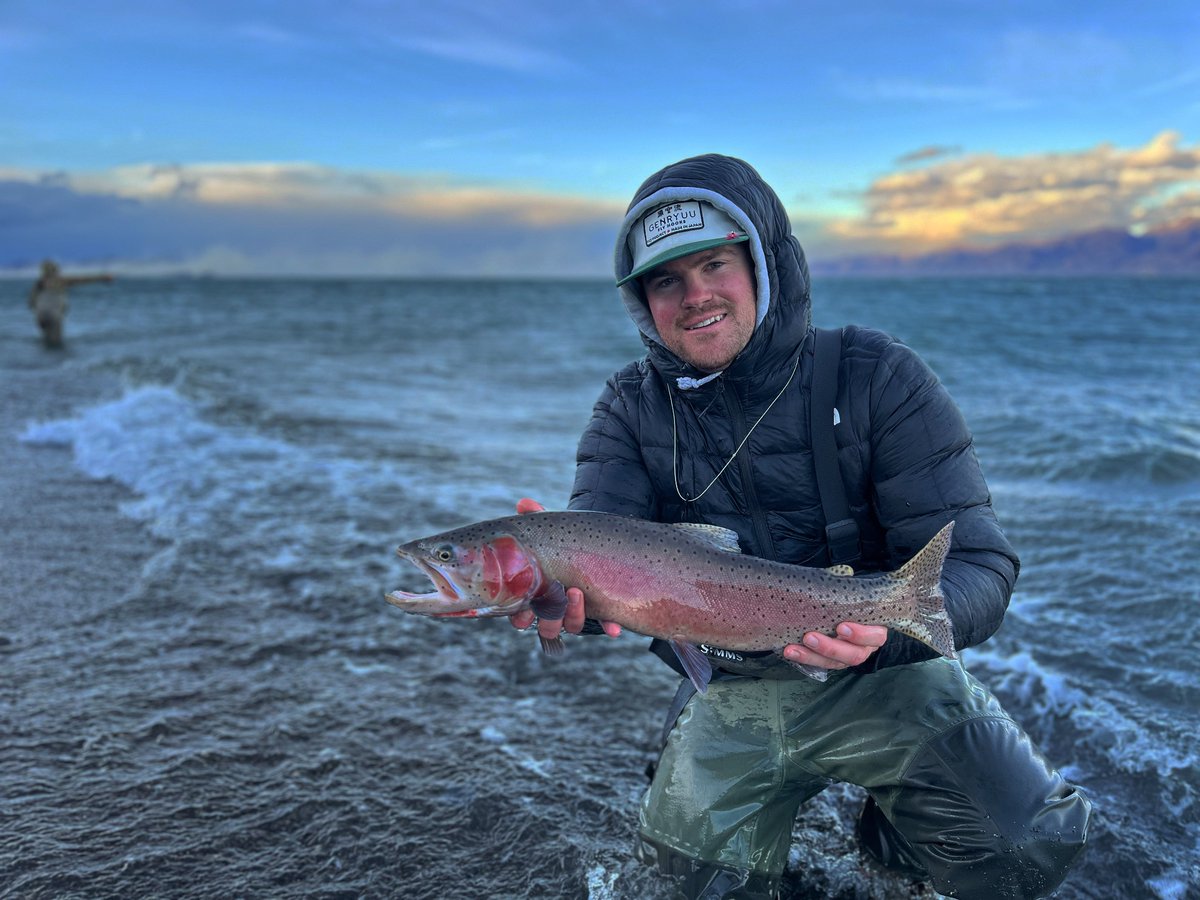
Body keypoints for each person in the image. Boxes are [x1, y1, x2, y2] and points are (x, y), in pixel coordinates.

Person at [510, 154, 1091, 899]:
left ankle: (895, 831)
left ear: (763, 261)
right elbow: (606, 572)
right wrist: (558, 600)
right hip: (730, 682)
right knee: (692, 890)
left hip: (881, 671)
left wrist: (885, 634)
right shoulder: (628, 407)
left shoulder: (877, 374)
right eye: (665, 280)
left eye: (714, 264)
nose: (695, 297)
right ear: (642, 302)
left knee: (1027, 846)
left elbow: (978, 565)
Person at [28, 259, 114, 347]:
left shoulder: (38, 284)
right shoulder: (60, 281)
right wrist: (103, 278)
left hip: (41, 316)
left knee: (46, 341)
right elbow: (83, 279)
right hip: (54, 316)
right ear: (55, 270)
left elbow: (31, 303)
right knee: (56, 343)